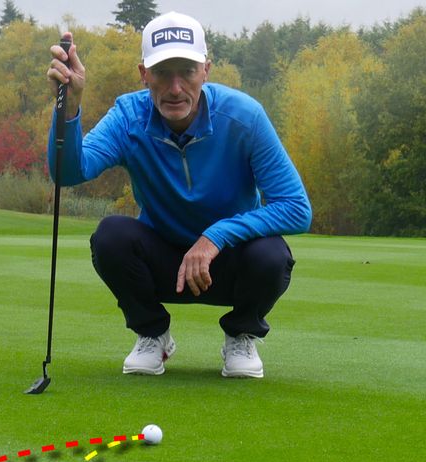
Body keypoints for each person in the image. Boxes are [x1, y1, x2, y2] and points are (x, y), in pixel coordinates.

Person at [46, 11, 311, 379]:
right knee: (112, 237)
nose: (175, 88)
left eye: (186, 71)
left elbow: (296, 208)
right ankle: (152, 333)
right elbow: (69, 172)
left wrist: (215, 235)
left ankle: (241, 334)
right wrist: (70, 106)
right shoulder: (128, 116)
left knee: (272, 255)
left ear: (206, 70)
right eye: (162, 73)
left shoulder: (244, 117)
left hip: (230, 263)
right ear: (143, 75)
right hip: (165, 261)